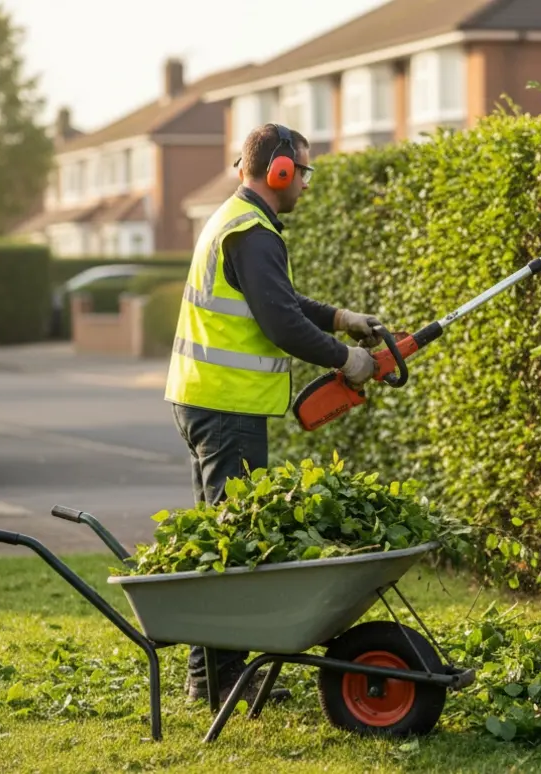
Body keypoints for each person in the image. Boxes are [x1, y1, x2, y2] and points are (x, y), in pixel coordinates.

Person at [163, 122, 381, 703]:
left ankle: (207, 676)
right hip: (224, 408)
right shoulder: (253, 233)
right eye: (303, 172)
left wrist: (339, 318)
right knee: (233, 546)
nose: (305, 184)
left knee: (217, 539)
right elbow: (280, 322)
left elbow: (281, 300)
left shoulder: (236, 220)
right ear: (279, 171)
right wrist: (347, 360)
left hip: (207, 400)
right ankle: (223, 678)